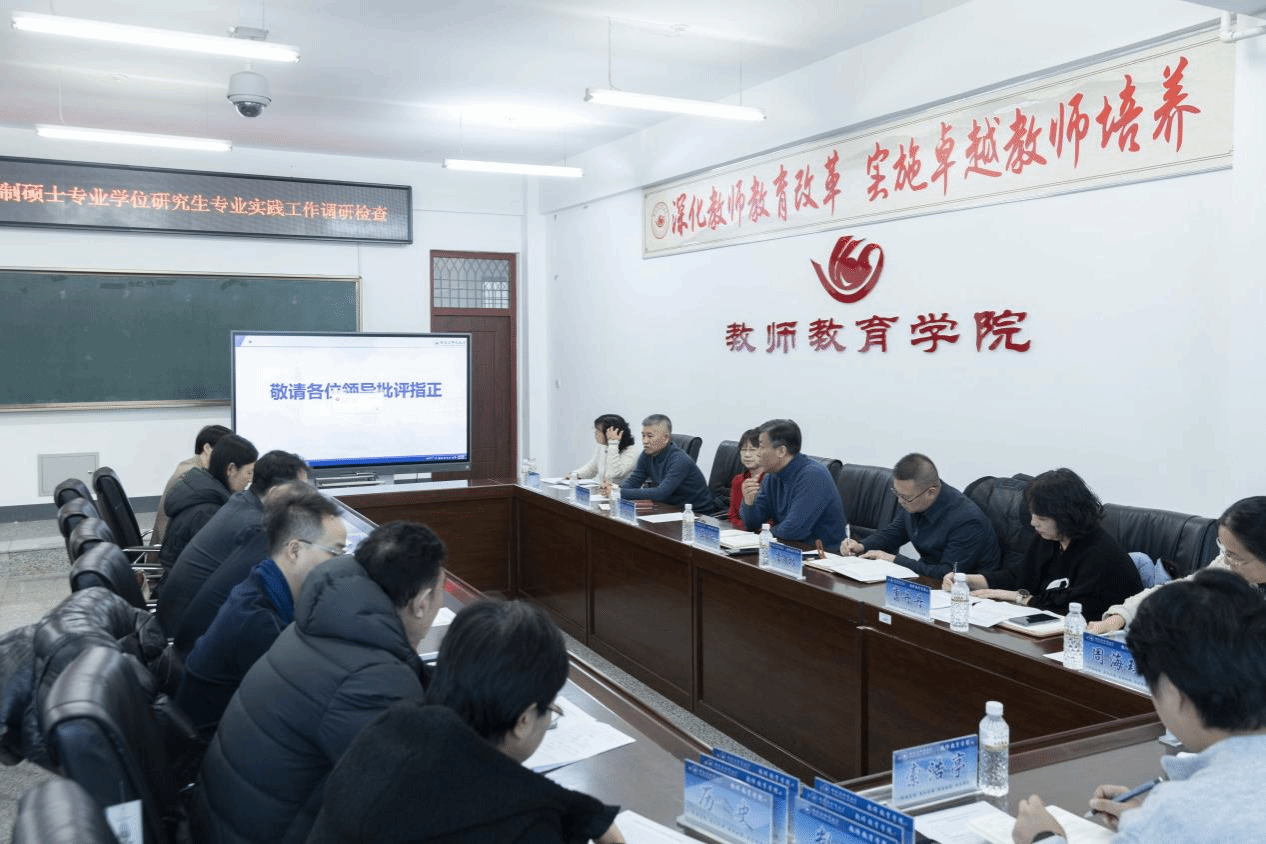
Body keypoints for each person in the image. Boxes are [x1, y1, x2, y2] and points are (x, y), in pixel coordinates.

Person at [195, 520, 446, 844]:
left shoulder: (314, 626)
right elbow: (409, 804)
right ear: (422, 602)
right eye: (441, 592)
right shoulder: (375, 682)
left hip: (221, 824)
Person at [308, 599, 624, 843]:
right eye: (552, 708)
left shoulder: (387, 730)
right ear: (524, 720)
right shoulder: (525, 828)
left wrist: (582, 813)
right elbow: (511, 801)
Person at [1011, 568, 1266, 843]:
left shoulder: (1179, 813)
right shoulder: (1178, 813)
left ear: (1176, 693)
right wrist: (1147, 822)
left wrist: (1044, 837)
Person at [174, 483, 345, 739]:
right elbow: (304, 707)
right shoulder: (258, 623)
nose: (341, 564)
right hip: (209, 747)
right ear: (295, 550)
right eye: (335, 552)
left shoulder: (262, 582)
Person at [941, 469, 1142, 620]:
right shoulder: (1049, 538)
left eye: (1042, 518)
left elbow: (1075, 606)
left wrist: (1018, 598)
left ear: (1067, 517)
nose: (1033, 523)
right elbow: (1019, 576)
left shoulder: (1099, 553)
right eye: (1033, 515)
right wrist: (967, 580)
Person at [157, 449, 309, 637]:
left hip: (177, 617)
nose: (306, 499)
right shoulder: (257, 529)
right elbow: (265, 590)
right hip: (190, 633)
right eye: (301, 491)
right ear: (276, 492)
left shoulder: (241, 501)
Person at [1088, 495, 1266, 634]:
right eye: (1223, 549)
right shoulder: (1227, 567)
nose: (1226, 560)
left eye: (1234, 556)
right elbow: (1179, 592)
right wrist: (1120, 617)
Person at [841, 453, 1000, 578]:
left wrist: (895, 560)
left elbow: (947, 573)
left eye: (906, 497)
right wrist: (861, 546)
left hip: (967, 594)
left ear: (931, 492)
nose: (900, 501)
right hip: (927, 579)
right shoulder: (914, 502)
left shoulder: (966, 521)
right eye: (897, 493)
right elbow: (892, 534)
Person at [156, 434, 257, 581]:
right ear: (231, 469)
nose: (250, 479)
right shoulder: (208, 512)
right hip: (189, 589)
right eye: (249, 472)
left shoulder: (203, 490)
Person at [739, 419, 847, 546]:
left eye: (761, 447)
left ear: (781, 451)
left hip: (821, 553)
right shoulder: (772, 476)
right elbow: (753, 523)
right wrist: (749, 503)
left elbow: (793, 531)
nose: (757, 453)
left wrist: (764, 533)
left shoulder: (813, 475)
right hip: (788, 548)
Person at [605, 414, 712, 511]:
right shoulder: (647, 454)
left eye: (650, 436)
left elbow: (660, 493)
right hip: (668, 508)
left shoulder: (680, 460)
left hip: (696, 513)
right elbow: (634, 481)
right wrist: (614, 489)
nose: (645, 441)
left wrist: (618, 492)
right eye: (643, 435)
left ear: (665, 438)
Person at [152, 424, 231, 546]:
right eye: (226, 451)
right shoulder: (190, 475)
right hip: (171, 549)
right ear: (207, 448)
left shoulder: (194, 467)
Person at [568, 414, 638, 486]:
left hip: (620, 492)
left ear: (614, 432)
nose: (595, 433)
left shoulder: (631, 452)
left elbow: (613, 475)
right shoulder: (603, 447)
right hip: (604, 491)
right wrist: (575, 475)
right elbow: (592, 468)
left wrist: (613, 443)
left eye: (598, 430)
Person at [728, 428, 764, 528]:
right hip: (741, 533)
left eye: (752, 450)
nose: (747, 455)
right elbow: (732, 516)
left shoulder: (773, 481)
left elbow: (771, 522)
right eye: (743, 450)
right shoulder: (738, 480)